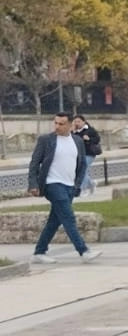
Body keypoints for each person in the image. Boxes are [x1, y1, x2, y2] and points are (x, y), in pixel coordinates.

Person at [27, 112, 100, 263]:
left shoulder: (77, 141)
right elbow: (34, 163)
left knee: (54, 221)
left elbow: (82, 165)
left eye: (61, 124)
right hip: (52, 184)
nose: (57, 126)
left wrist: (77, 185)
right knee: (68, 217)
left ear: (70, 125)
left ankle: (39, 252)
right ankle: (84, 251)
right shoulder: (46, 140)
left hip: (69, 186)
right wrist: (33, 184)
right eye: (55, 123)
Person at [71, 115, 101, 193]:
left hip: (89, 153)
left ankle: (83, 189)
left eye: (79, 121)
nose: (77, 123)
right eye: (75, 121)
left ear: (83, 122)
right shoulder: (74, 132)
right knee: (79, 171)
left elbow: (97, 139)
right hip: (78, 154)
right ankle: (91, 184)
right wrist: (73, 132)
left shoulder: (89, 130)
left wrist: (89, 139)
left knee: (83, 170)